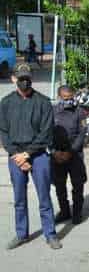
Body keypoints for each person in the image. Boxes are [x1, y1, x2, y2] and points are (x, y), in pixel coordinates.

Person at [0, 64, 61, 250]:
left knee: (44, 197)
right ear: (13, 79)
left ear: (31, 79)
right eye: (20, 78)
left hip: (39, 155)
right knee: (19, 199)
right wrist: (17, 155)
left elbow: (46, 133)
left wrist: (28, 154)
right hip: (16, 156)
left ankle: (50, 234)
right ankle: (21, 234)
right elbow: (3, 132)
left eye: (27, 78)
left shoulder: (43, 102)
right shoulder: (6, 103)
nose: (24, 81)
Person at [51, 85, 87, 225]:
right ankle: (64, 211)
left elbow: (82, 133)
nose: (69, 101)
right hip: (57, 155)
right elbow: (47, 132)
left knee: (78, 184)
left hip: (75, 154)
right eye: (66, 98)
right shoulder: (52, 111)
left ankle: (77, 212)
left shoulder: (80, 112)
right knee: (59, 185)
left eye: (71, 98)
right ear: (59, 97)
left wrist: (70, 152)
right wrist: (54, 152)